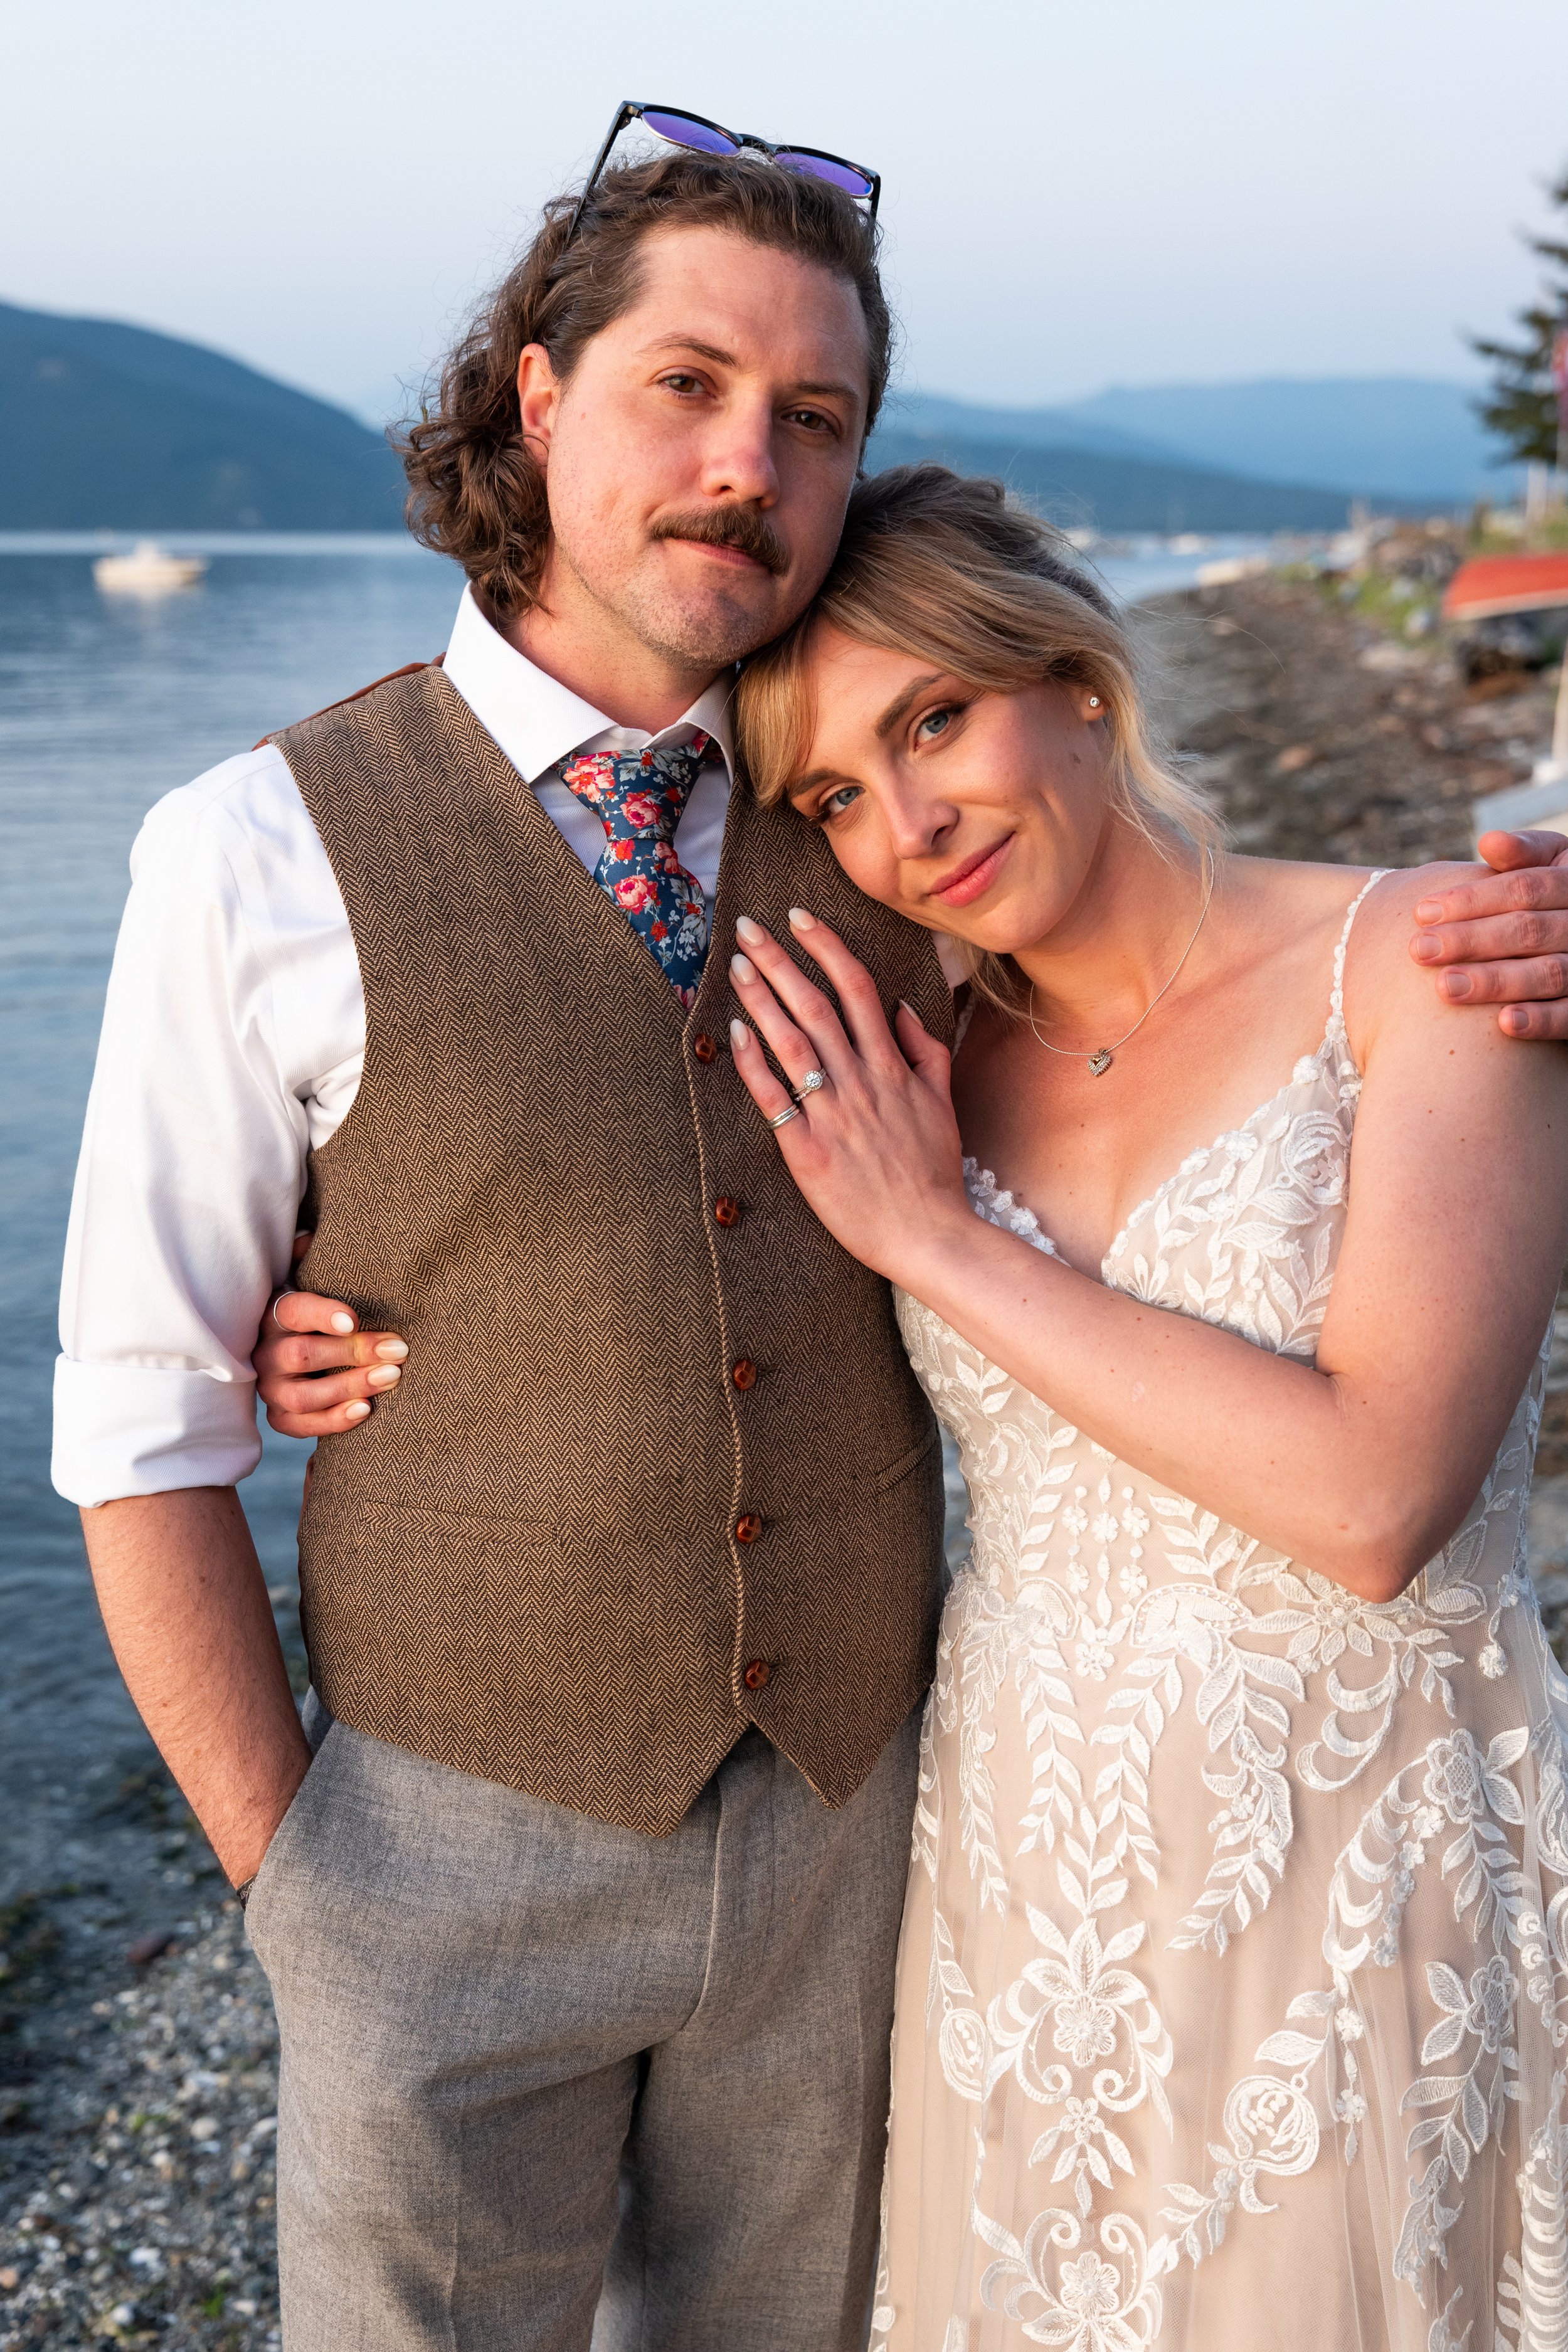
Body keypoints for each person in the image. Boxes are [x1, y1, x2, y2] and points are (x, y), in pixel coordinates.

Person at [60, 107, 1568, 2346]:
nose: (745, 463)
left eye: (815, 417)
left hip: (878, 1839)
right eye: (687, 382)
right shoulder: (251, 850)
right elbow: (141, 1424)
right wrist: (303, 1889)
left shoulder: (884, 858)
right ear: (540, 394)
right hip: (452, 1856)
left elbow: (1205, 1017)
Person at [691, 464, 1568, 2349]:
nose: (908, 825)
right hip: (1024, 1879)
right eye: (833, 796)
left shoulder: (1427, 965)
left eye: (936, 720)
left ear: (1078, 683)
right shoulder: (911, 1064)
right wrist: (322, 1319)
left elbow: (1375, 1499)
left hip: (1362, 1864)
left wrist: (941, 1240)